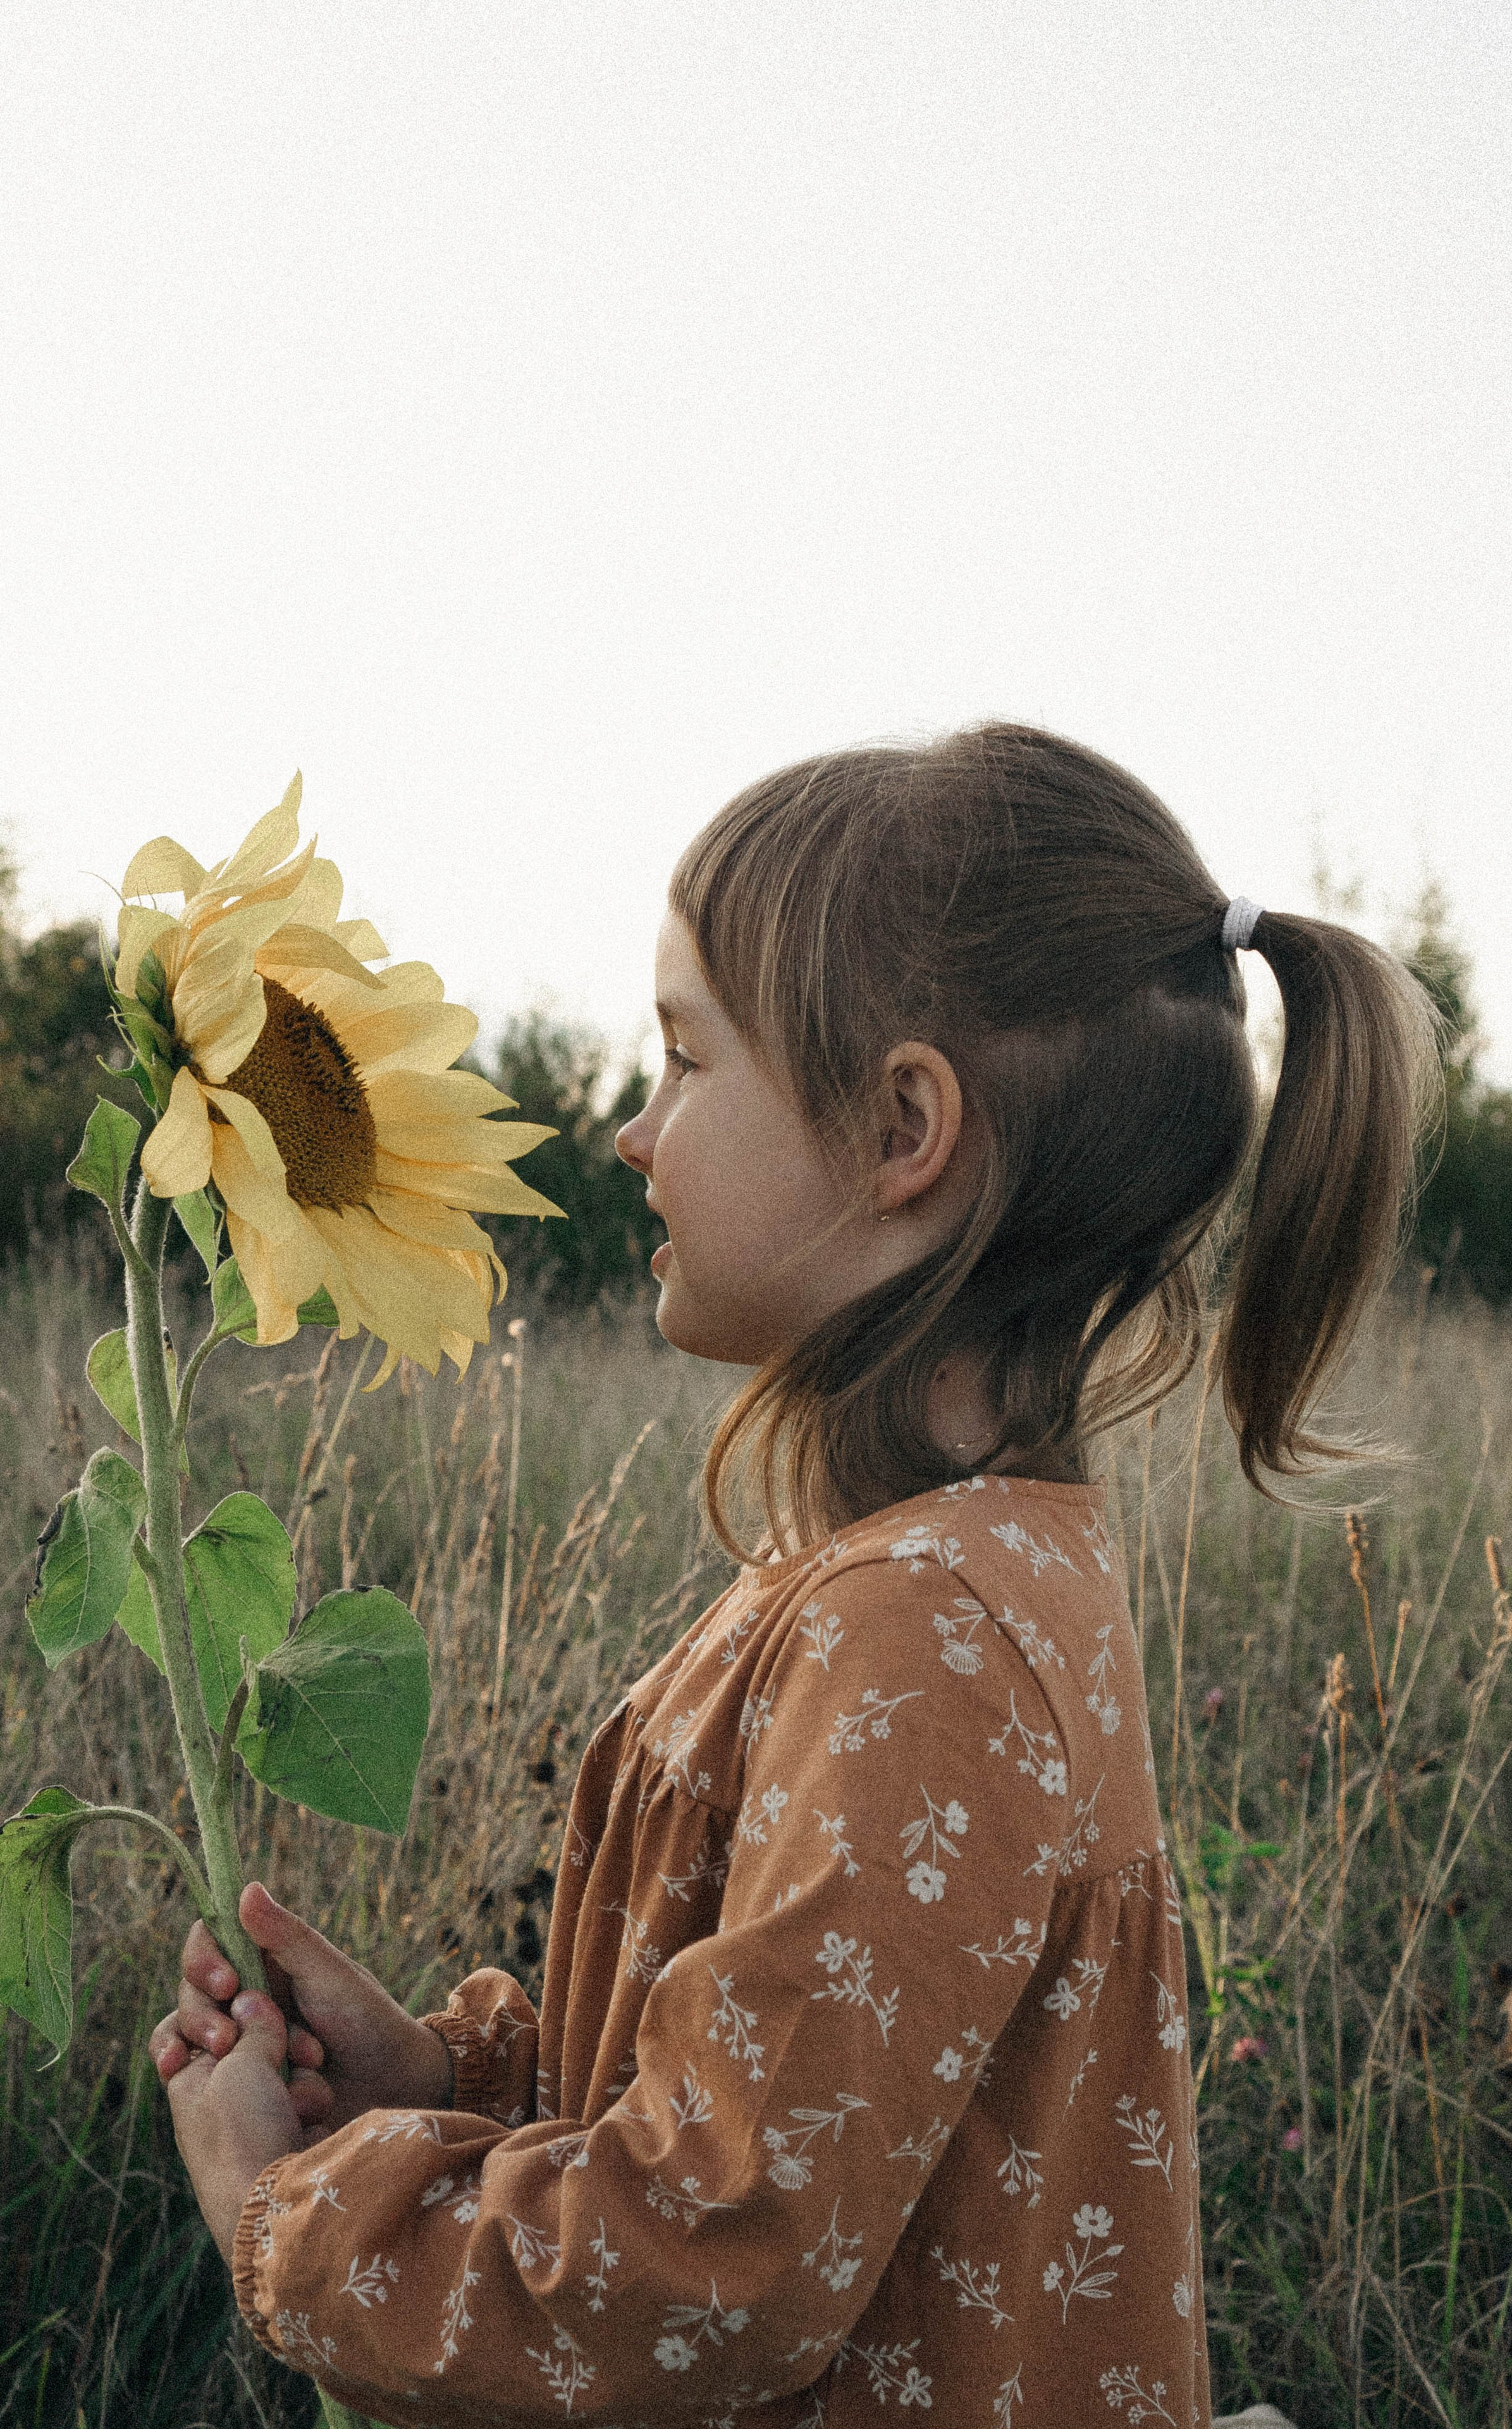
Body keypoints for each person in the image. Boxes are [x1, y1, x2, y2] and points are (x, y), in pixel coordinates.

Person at [152, 723, 1439, 2425]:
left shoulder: (921, 1635)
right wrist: (450, 2076)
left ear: (902, 1127)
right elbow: (804, 2086)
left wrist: (288, 2223)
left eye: (685, 1059)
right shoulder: (936, 1573)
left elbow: (711, 2256)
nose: (631, 1130)